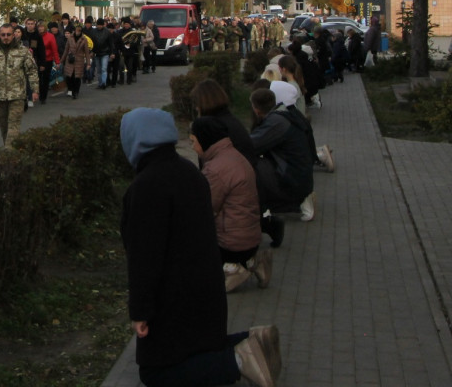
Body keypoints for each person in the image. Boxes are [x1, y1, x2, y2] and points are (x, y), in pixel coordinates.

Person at [120, 107, 282, 387]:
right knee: (199, 350)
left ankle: (241, 359)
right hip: (207, 292)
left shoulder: (147, 186)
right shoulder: (189, 171)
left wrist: (140, 312)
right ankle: (251, 340)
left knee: (155, 372)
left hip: (173, 300)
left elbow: (145, 258)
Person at [190, 117, 272, 293]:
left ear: (205, 139)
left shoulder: (215, 169)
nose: (192, 147)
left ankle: (232, 268)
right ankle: (252, 262)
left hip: (231, 244)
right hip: (251, 238)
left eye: (193, 141)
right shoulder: (235, 156)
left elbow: (206, 210)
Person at [249, 88, 316, 223]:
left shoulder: (276, 122)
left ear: (256, 109)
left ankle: (265, 208)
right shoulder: (286, 114)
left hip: (292, 179)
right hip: (301, 175)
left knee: (250, 165)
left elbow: (250, 145)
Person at [0, 23, 38, 146]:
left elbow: (32, 70)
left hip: (17, 95)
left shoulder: (23, 51)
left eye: (8, 34)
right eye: (3, 34)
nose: (6, 37)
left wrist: (35, 90)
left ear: (13, 35)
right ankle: (11, 151)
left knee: (13, 126)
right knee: (4, 127)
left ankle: (8, 154)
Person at [61, 24, 91, 99]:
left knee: (77, 77)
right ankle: (70, 89)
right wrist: (61, 61)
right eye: (77, 30)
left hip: (79, 60)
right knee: (69, 76)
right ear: (74, 30)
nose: (78, 32)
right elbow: (66, 50)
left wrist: (88, 63)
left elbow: (86, 52)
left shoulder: (84, 39)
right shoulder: (70, 38)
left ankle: (76, 92)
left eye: (79, 30)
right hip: (70, 59)